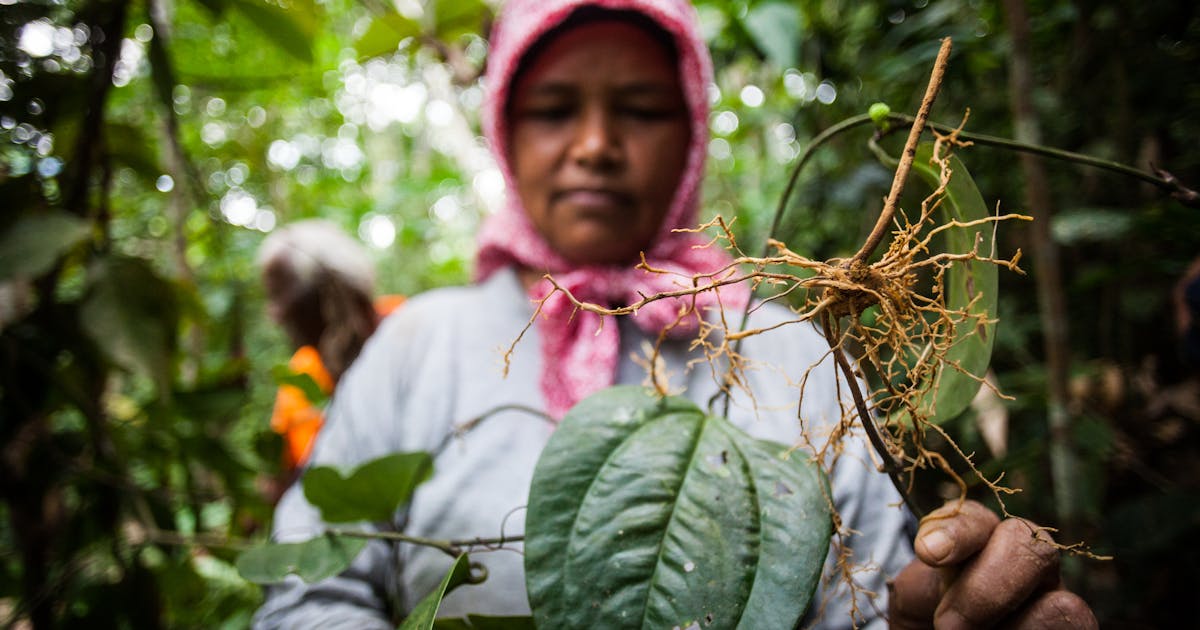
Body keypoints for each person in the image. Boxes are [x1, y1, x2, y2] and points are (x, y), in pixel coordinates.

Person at [253, 1, 1096, 628]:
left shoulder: (786, 350)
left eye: (642, 109)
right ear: (506, 133)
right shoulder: (417, 346)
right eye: (553, 110)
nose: (593, 145)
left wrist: (937, 611)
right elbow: (307, 589)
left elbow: (867, 595)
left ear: (691, 130)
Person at [257, 219, 404, 475]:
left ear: (325, 289)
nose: (275, 315)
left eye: (280, 293)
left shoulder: (407, 326)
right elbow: (281, 480)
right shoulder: (300, 377)